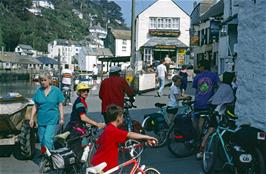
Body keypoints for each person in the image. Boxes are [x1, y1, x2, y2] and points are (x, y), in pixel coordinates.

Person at [91, 104, 158, 172]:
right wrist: (147, 137)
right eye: (122, 117)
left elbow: (100, 143)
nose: (123, 119)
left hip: (97, 162)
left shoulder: (108, 129)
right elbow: (130, 134)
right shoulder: (113, 131)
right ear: (118, 118)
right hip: (104, 167)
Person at [196, 72, 235, 159]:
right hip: (219, 112)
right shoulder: (229, 88)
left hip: (212, 108)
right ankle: (202, 151)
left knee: (210, 130)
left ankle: (201, 149)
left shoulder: (221, 86)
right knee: (213, 130)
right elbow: (230, 101)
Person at [64, 82, 105, 158]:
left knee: (78, 149)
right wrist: (97, 124)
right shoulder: (79, 102)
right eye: (83, 91)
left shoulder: (80, 100)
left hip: (75, 127)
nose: (86, 92)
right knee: (77, 151)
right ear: (79, 92)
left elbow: (80, 118)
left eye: (87, 90)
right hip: (75, 130)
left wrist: (88, 123)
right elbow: (83, 117)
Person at [29, 72, 64, 150]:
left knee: (47, 139)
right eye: (41, 80)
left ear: (49, 80)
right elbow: (35, 105)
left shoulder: (56, 90)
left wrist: (61, 118)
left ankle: (49, 157)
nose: (43, 82)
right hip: (41, 119)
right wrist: (31, 118)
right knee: (42, 141)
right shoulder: (39, 91)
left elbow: (60, 105)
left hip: (52, 119)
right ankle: (47, 156)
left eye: (45, 80)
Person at [192, 59, 219, 136]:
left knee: (196, 121)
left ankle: (196, 138)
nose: (199, 68)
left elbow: (195, 87)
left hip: (197, 102)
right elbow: (218, 86)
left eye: (199, 66)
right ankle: (201, 139)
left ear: (203, 67)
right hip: (208, 103)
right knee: (202, 122)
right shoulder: (214, 75)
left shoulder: (197, 77)